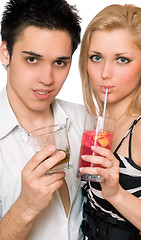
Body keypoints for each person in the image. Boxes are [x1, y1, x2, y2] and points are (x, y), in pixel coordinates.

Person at [0, 0, 87, 239]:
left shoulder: (84, 121)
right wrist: (25, 207)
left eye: (60, 62)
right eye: (32, 59)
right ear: (5, 53)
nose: (47, 79)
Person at [79, 4, 141, 240]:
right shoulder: (94, 125)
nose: (105, 73)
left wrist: (116, 194)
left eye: (122, 60)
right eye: (96, 57)